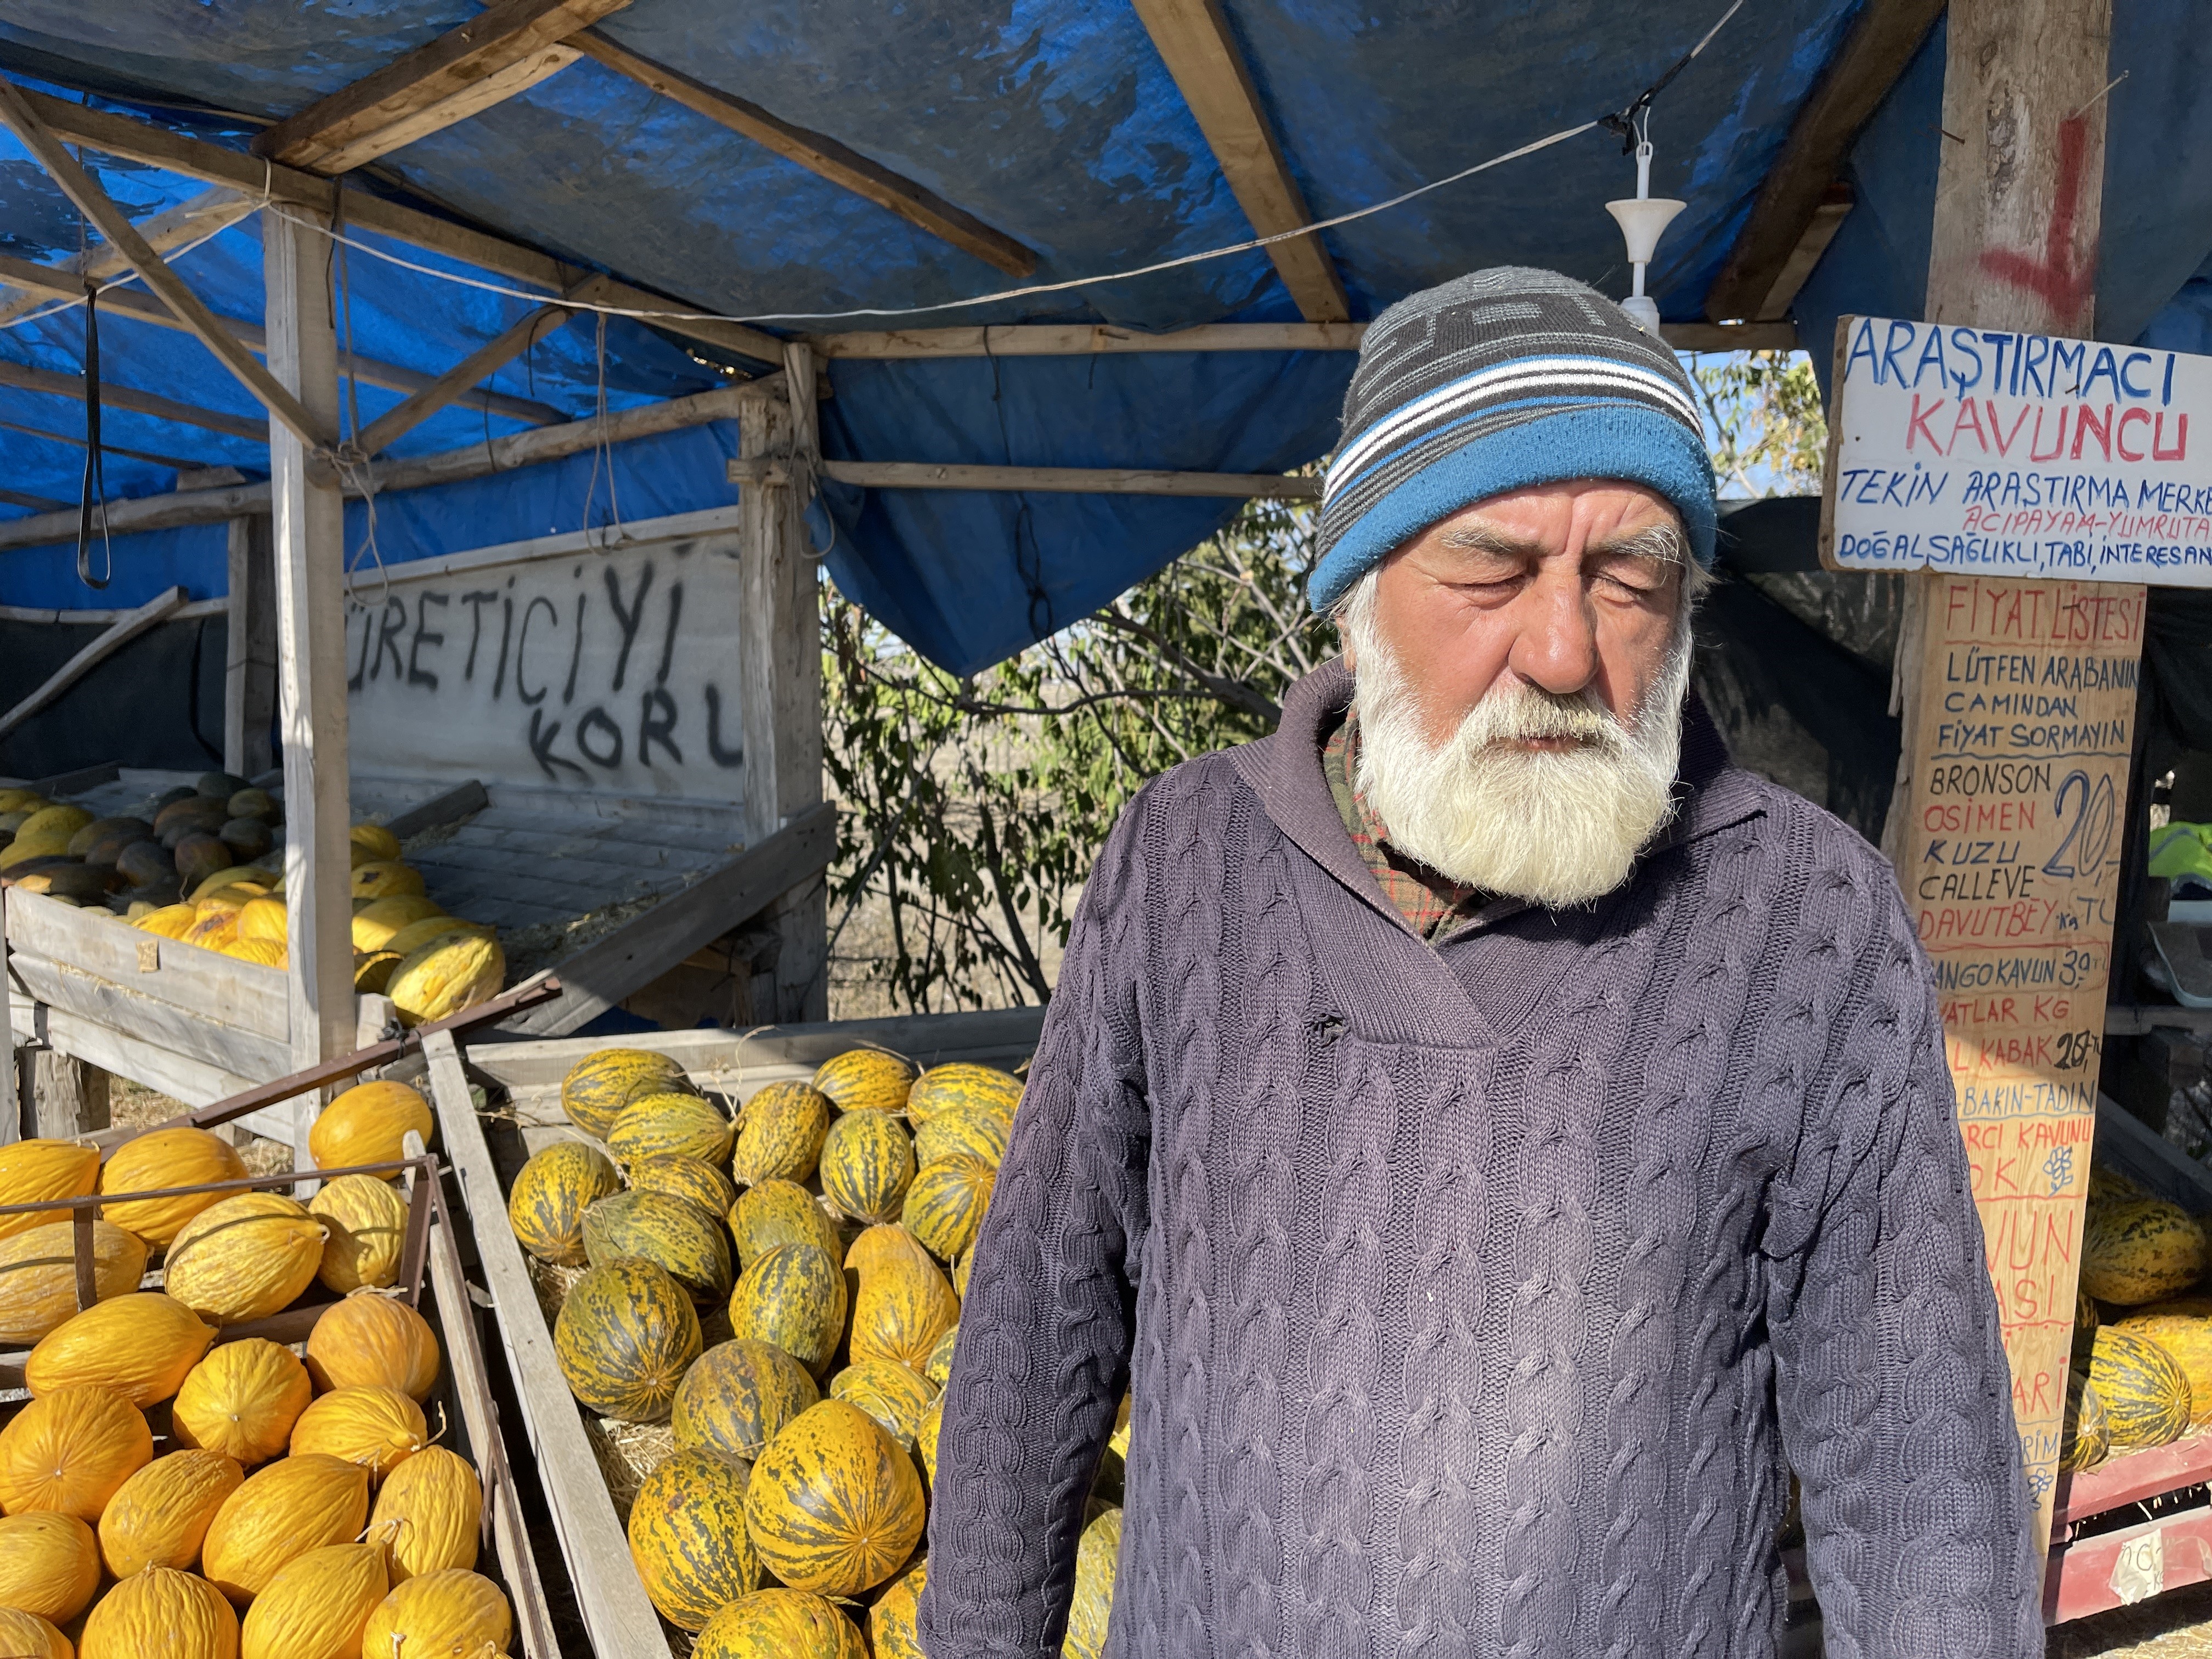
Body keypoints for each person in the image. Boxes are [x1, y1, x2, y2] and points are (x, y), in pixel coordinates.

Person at [917, 267, 2038, 1658]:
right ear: (1355, 594)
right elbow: (1040, 1323)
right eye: (1488, 572)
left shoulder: (1808, 920)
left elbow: (1921, 1485)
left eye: (1628, 578)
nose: (1563, 649)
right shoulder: (1183, 859)